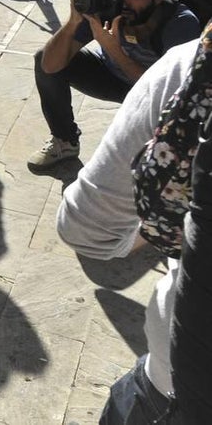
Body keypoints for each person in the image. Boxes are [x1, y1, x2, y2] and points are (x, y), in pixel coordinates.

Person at [57, 34, 202, 424]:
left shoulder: (193, 57)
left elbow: (84, 226)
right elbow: (51, 63)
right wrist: (83, 27)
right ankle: (62, 137)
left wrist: (163, 227)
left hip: (172, 393)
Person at [28, 0, 200, 171]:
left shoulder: (180, 23)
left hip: (154, 95)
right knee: (45, 55)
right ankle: (65, 141)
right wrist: (72, 23)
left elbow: (170, 94)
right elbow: (50, 66)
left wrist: (113, 48)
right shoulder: (108, 4)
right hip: (112, 77)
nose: (124, 3)